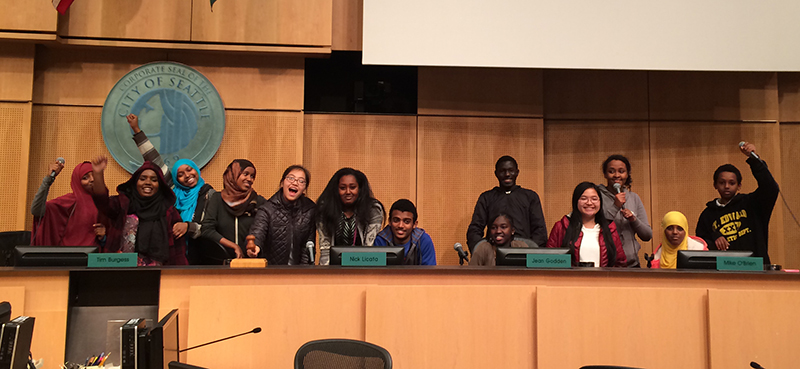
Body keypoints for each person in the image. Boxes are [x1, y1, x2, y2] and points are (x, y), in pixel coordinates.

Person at [90, 156, 187, 265]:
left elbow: (178, 250)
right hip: (120, 268)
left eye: (154, 180)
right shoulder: (123, 203)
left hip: (157, 273)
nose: (148, 182)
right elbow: (102, 202)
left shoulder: (168, 210)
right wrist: (98, 174)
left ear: (160, 185)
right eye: (143, 178)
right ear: (135, 182)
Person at [696, 142, 779, 264]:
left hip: (756, 266)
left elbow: (770, 188)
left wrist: (754, 160)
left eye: (732, 183)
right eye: (722, 182)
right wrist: (715, 237)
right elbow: (700, 243)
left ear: (739, 186)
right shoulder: (707, 215)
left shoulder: (752, 203)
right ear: (715, 185)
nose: (727, 186)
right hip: (724, 269)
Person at [467, 155, 547, 253]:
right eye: (502, 171)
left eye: (511, 170)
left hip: (523, 251)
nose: (507, 174)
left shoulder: (530, 197)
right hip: (493, 251)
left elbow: (539, 230)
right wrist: (481, 250)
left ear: (517, 172)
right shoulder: (486, 197)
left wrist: (531, 252)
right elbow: (475, 229)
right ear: (496, 173)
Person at [546, 182, 626, 267]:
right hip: (570, 279)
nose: (589, 203)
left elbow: (620, 262)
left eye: (594, 199)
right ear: (576, 201)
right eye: (584, 198)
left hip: (603, 279)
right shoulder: (561, 227)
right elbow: (549, 260)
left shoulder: (610, 229)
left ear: (600, 202)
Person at [248, 165, 316, 265]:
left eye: (301, 181)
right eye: (291, 178)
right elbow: (257, 233)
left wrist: (304, 273)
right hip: (273, 273)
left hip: (300, 273)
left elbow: (308, 245)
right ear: (282, 183)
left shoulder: (309, 210)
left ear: (304, 189)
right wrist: (255, 247)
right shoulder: (267, 210)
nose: (295, 183)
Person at [316, 168, 385, 265]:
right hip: (333, 266)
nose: (348, 192)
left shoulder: (373, 209)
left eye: (352, 187)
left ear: (360, 189)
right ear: (336, 190)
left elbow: (369, 247)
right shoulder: (325, 209)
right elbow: (325, 247)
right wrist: (326, 274)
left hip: (362, 264)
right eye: (343, 188)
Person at [201, 159, 266, 261]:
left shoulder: (258, 201)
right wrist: (234, 246)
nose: (250, 179)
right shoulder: (217, 199)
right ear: (233, 175)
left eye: (252, 176)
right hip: (220, 263)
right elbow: (207, 230)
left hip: (250, 264)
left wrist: (255, 248)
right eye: (245, 174)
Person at [30, 160, 106, 246]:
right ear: (77, 181)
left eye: (94, 175)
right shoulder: (69, 201)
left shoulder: (106, 204)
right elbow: (36, 210)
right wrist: (48, 179)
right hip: (68, 256)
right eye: (85, 178)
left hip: (94, 257)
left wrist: (104, 237)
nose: (92, 180)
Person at [598, 154, 652, 267]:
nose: (617, 175)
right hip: (606, 264)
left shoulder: (634, 198)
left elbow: (647, 235)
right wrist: (615, 206)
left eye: (621, 171)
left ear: (627, 174)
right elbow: (598, 227)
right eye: (611, 171)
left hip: (632, 264)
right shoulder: (597, 196)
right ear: (605, 174)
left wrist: (634, 219)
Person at [170, 159, 215, 264]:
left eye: (189, 170)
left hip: (201, 256)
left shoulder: (210, 194)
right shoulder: (172, 197)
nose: (187, 175)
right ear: (176, 180)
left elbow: (211, 227)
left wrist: (188, 227)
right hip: (177, 255)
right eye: (180, 175)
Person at [374, 199, 436, 265]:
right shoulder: (380, 240)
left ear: (415, 224)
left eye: (406, 222)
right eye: (396, 220)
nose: (400, 225)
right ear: (389, 221)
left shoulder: (424, 240)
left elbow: (430, 272)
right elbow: (375, 272)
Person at [126, 114, 173, 187]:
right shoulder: (173, 190)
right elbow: (154, 160)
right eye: (180, 174)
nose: (187, 175)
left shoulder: (198, 192)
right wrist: (136, 129)